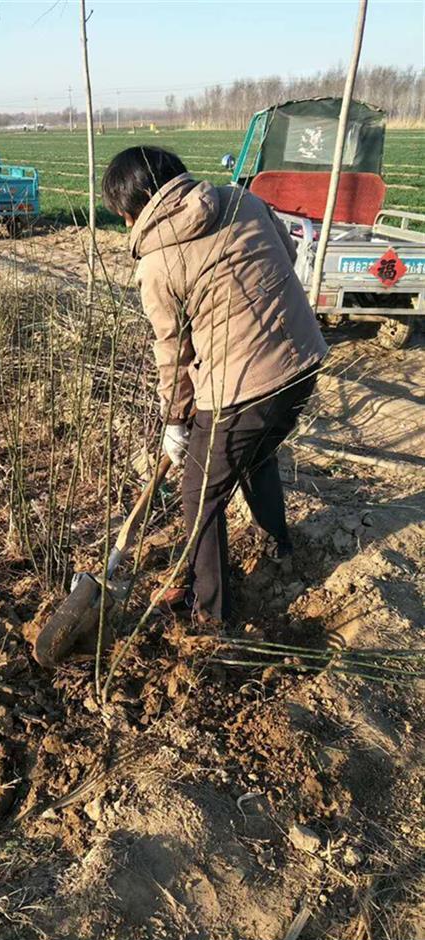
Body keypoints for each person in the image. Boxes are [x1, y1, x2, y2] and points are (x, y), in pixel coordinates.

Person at [101, 146, 328, 626]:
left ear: (135, 209)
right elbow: (285, 255)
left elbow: (174, 354)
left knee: (199, 493)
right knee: (256, 453)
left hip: (244, 387)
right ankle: (279, 544)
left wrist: (175, 422)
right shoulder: (241, 200)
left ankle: (210, 613)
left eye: (123, 215)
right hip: (305, 360)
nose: (125, 226)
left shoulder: (159, 264)